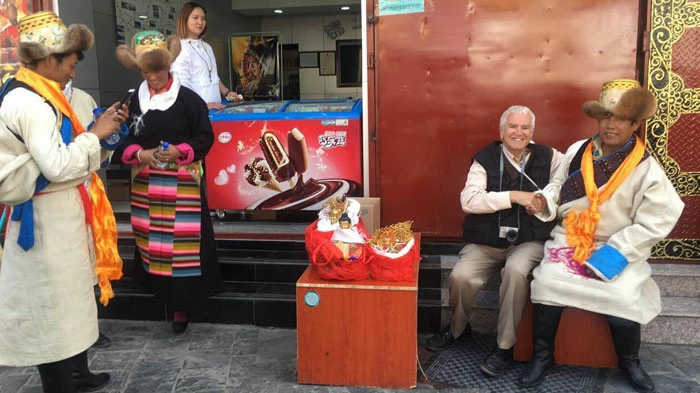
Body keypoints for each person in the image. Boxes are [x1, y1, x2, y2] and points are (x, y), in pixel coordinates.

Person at [517, 79, 684, 392]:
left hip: (617, 244)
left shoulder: (646, 167)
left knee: (622, 292)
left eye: (621, 118)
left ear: (635, 124)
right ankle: (542, 356)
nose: (612, 124)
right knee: (548, 282)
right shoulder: (577, 152)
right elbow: (557, 187)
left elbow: (658, 218)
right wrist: (544, 200)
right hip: (570, 239)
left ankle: (629, 360)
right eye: (607, 116)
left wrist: (617, 251)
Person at [0, 10, 128, 392]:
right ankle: (62, 385)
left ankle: (77, 375)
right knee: (52, 315)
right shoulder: (31, 103)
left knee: (67, 307)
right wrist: (96, 136)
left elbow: (70, 158)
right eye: (70, 61)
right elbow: (58, 165)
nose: (75, 70)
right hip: (43, 225)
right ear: (46, 59)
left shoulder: (41, 94)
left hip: (61, 217)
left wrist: (100, 135)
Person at [425, 105, 565, 378]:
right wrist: (513, 196)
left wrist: (545, 201)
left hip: (529, 240)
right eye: (512, 127)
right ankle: (458, 329)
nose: (518, 132)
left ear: (532, 131)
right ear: (501, 131)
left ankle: (504, 347)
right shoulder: (485, 158)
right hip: (488, 241)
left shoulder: (552, 157)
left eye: (525, 127)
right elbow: (469, 200)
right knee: (461, 276)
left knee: (515, 272)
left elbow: (561, 184)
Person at [116, 30, 221, 334]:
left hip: (184, 184)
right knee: (152, 243)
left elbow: (205, 136)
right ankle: (157, 290)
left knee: (184, 248)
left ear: (169, 67)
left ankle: (182, 305)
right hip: (146, 186)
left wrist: (181, 151)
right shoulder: (133, 101)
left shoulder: (189, 100)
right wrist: (139, 153)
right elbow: (121, 138)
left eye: (158, 71)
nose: (154, 77)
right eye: (147, 71)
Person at [63, 80, 113, 349]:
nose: (72, 69)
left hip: (87, 191)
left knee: (88, 260)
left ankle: (89, 328)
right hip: (53, 198)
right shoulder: (32, 99)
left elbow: (101, 149)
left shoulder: (83, 98)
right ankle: (67, 336)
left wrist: (113, 133)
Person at [171, 2, 241, 110]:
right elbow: (181, 85)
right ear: (184, 20)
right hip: (196, 111)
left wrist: (227, 92)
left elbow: (213, 77)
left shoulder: (207, 47)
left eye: (203, 19)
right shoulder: (181, 47)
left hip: (216, 108)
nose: (200, 22)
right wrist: (204, 106)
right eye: (195, 18)